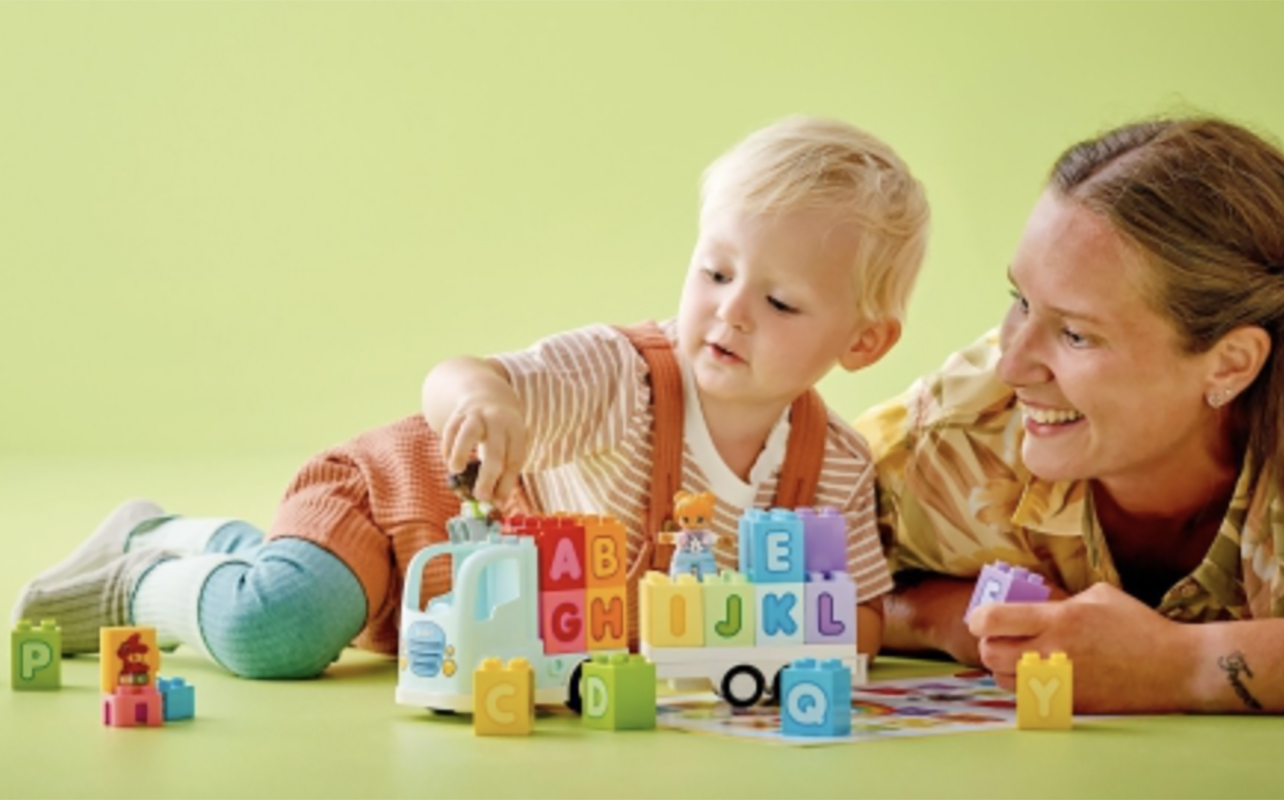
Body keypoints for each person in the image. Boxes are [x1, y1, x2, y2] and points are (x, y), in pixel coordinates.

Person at [14, 115, 930, 678]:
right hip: (402, 513)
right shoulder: (623, 380)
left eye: (777, 301)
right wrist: (482, 405)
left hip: (478, 628)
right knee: (279, 630)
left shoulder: (834, 470)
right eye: (714, 271)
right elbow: (465, 377)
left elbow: (847, 621)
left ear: (863, 342)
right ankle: (153, 557)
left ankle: (227, 553)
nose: (729, 313)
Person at [856, 116, 1284, 713]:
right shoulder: (951, 439)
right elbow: (780, 578)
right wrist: (946, 616)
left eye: (1076, 335)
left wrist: (1177, 666)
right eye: (1021, 301)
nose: (1015, 366)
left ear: (1230, 364)